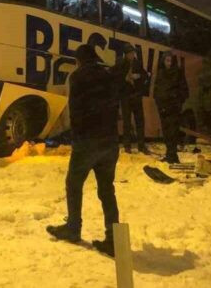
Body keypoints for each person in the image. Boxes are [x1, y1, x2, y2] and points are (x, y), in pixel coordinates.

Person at [47, 44, 120, 256]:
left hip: (88, 140)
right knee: (107, 189)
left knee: (74, 183)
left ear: (79, 60)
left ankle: (73, 228)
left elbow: (76, 109)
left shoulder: (78, 77)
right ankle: (113, 238)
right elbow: (115, 105)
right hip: (110, 141)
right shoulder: (107, 76)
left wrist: (76, 135)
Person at [111, 44, 150, 154]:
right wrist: (125, 78)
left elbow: (145, 76)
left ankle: (141, 145)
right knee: (127, 122)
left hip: (136, 96)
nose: (132, 55)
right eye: (130, 53)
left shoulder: (137, 64)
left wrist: (139, 76)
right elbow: (114, 76)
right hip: (125, 97)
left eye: (133, 53)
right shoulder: (120, 64)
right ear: (126, 54)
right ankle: (127, 145)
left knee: (140, 121)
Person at [154, 51, 188, 164]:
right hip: (163, 109)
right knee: (166, 133)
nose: (168, 63)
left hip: (173, 108)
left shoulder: (178, 73)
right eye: (166, 60)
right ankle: (169, 154)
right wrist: (159, 105)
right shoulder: (160, 73)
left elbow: (184, 91)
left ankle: (173, 156)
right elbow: (156, 91)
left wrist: (177, 103)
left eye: (170, 60)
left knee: (173, 133)